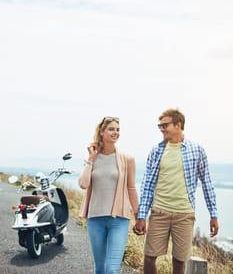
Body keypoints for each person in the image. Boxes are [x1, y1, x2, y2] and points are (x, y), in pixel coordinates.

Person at [133, 108, 219, 274]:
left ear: (178, 125)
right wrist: (141, 216)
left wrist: (213, 215)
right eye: (160, 126)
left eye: (165, 125)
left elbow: (207, 183)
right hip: (159, 212)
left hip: (184, 214)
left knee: (179, 261)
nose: (161, 129)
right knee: (149, 257)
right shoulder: (157, 150)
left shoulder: (197, 150)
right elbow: (147, 185)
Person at [79, 116, 139, 274]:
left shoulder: (127, 159)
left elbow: (131, 188)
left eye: (118, 129)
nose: (116, 132)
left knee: (112, 270)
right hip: (95, 219)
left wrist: (139, 215)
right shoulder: (92, 158)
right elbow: (83, 184)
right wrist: (91, 159)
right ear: (102, 132)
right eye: (111, 129)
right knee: (100, 268)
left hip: (119, 220)